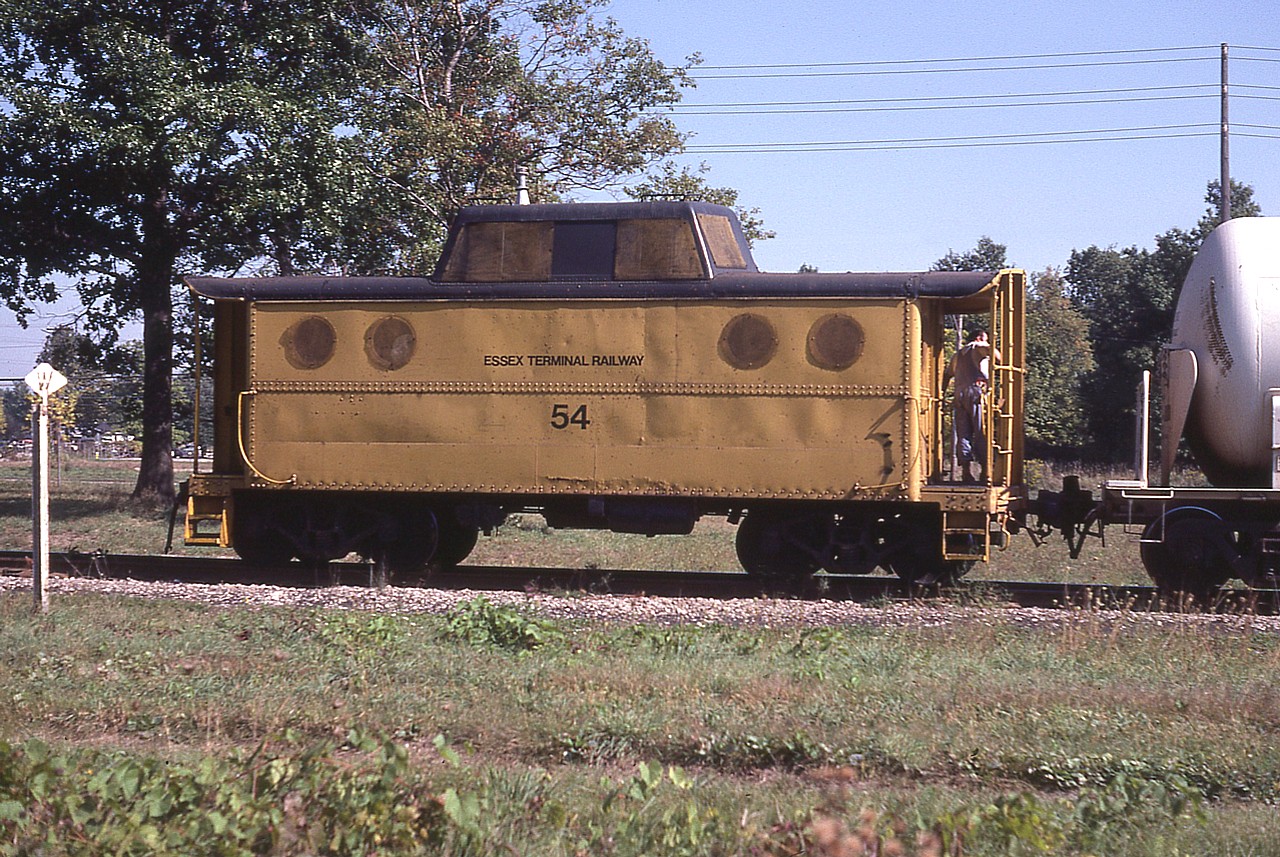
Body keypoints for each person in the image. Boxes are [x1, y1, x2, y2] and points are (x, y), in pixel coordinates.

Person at [943, 330, 999, 483]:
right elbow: (993, 353)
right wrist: (999, 355)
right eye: (985, 338)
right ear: (980, 337)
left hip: (959, 395)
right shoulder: (977, 346)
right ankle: (985, 471)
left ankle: (966, 472)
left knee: (963, 434)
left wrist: (941, 393)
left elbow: (948, 374)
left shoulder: (958, 354)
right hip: (975, 393)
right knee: (981, 431)